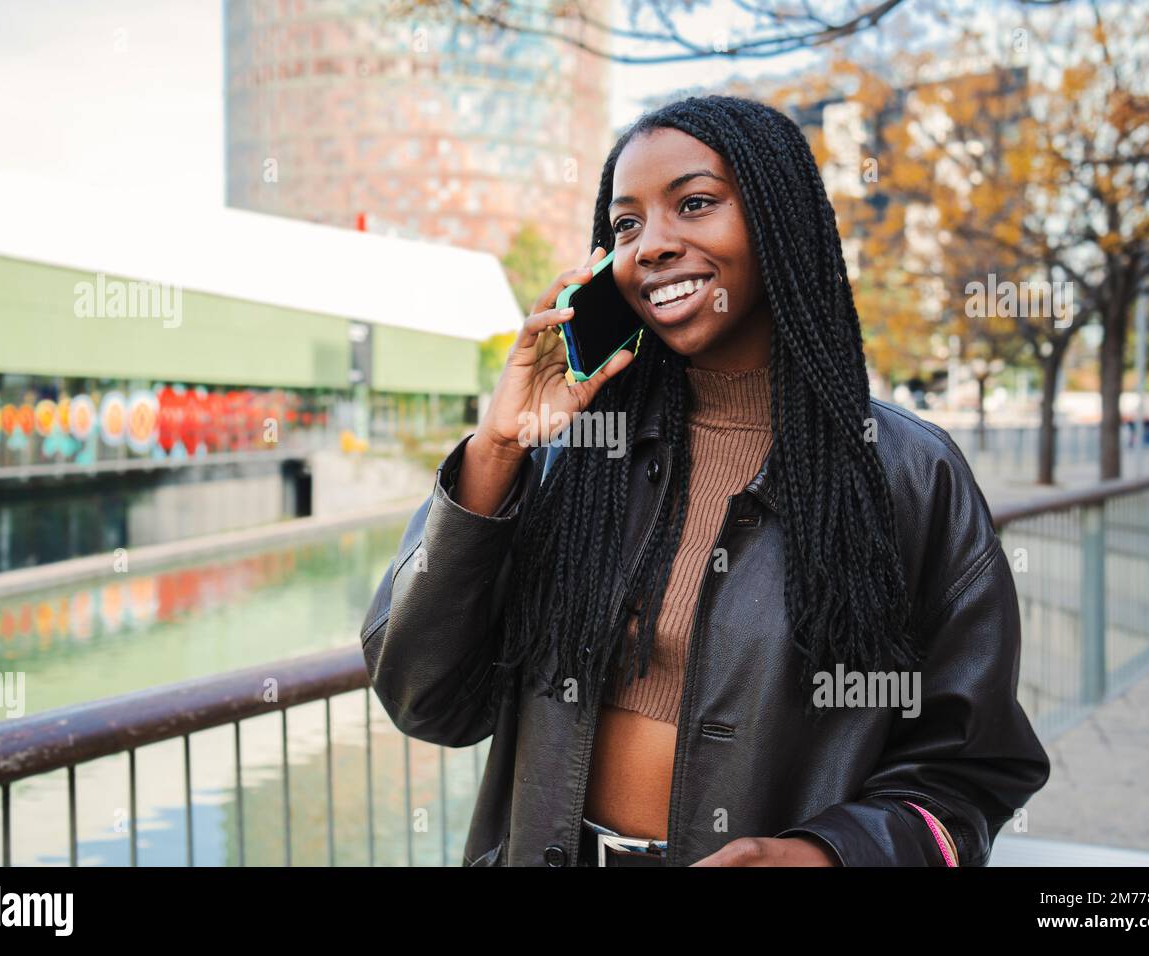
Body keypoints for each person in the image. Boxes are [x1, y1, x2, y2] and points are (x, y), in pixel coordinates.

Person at [360, 94, 1050, 867]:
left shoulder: (908, 473)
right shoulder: (574, 457)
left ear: (778, 223)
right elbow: (424, 699)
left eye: (694, 204)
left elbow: (973, 771)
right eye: (625, 225)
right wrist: (497, 448)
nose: (651, 246)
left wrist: (826, 856)